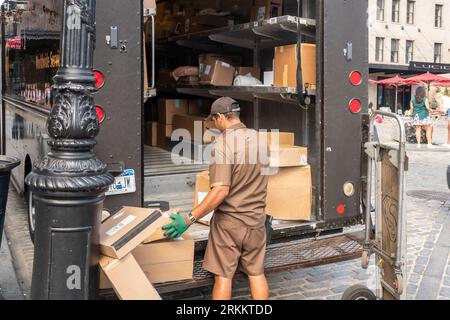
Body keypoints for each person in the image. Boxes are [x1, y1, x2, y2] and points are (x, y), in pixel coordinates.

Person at [163, 97, 270, 300]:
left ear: (221, 117)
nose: (213, 124)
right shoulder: (260, 139)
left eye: (213, 120)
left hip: (230, 224)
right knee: (256, 273)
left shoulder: (222, 145)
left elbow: (221, 190)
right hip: (256, 220)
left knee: (223, 276)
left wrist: (189, 218)